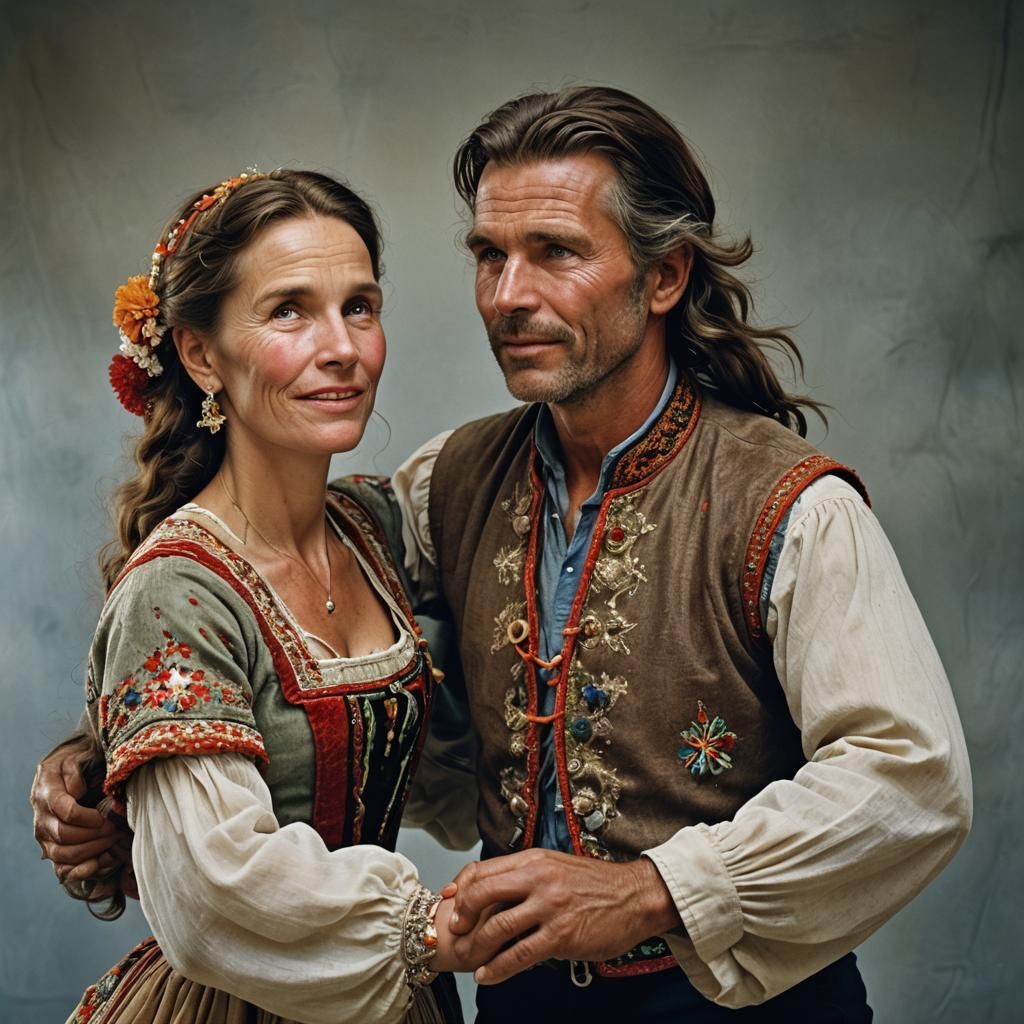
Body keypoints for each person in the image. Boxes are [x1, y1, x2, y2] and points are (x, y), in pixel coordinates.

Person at [35, 88, 973, 1022]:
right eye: (490, 255)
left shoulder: (791, 504)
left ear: (664, 276)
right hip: (515, 1005)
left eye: (556, 252)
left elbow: (910, 777)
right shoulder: (448, 488)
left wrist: (649, 890)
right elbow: (255, 615)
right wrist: (100, 764)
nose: (510, 295)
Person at [42, 169, 479, 1024]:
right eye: (289, 310)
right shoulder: (177, 590)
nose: (342, 346)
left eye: (359, 305)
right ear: (201, 353)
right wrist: (434, 929)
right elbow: (213, 897)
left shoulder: (374, 529)